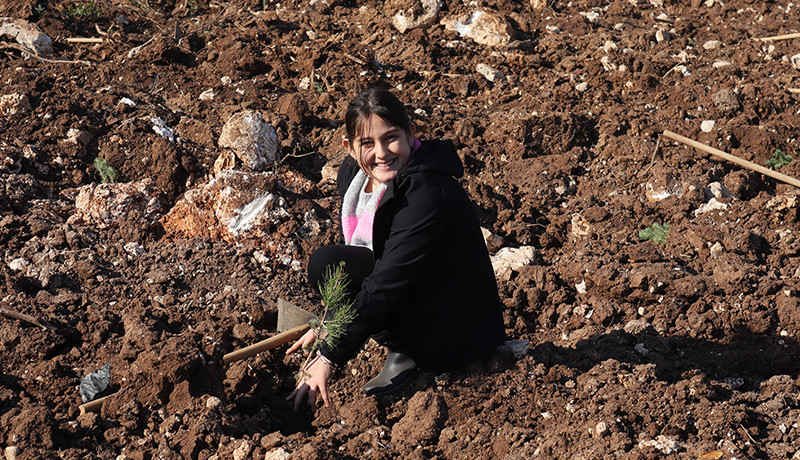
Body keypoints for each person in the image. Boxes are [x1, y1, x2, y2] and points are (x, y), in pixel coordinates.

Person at [286, 87, 506, 412]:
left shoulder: (427, 192)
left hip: (454, 324)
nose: (381, 153)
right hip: (415, 289)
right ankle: (404, 346)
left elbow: (388, 279)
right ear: (349, 148)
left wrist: (330, 353)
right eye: (367, 144)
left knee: (358, 275)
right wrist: (330, 323)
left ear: (410, 132)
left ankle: (415, 352)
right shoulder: (356, 175)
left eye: (390, 138)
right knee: (329, 264)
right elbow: (366, 259)